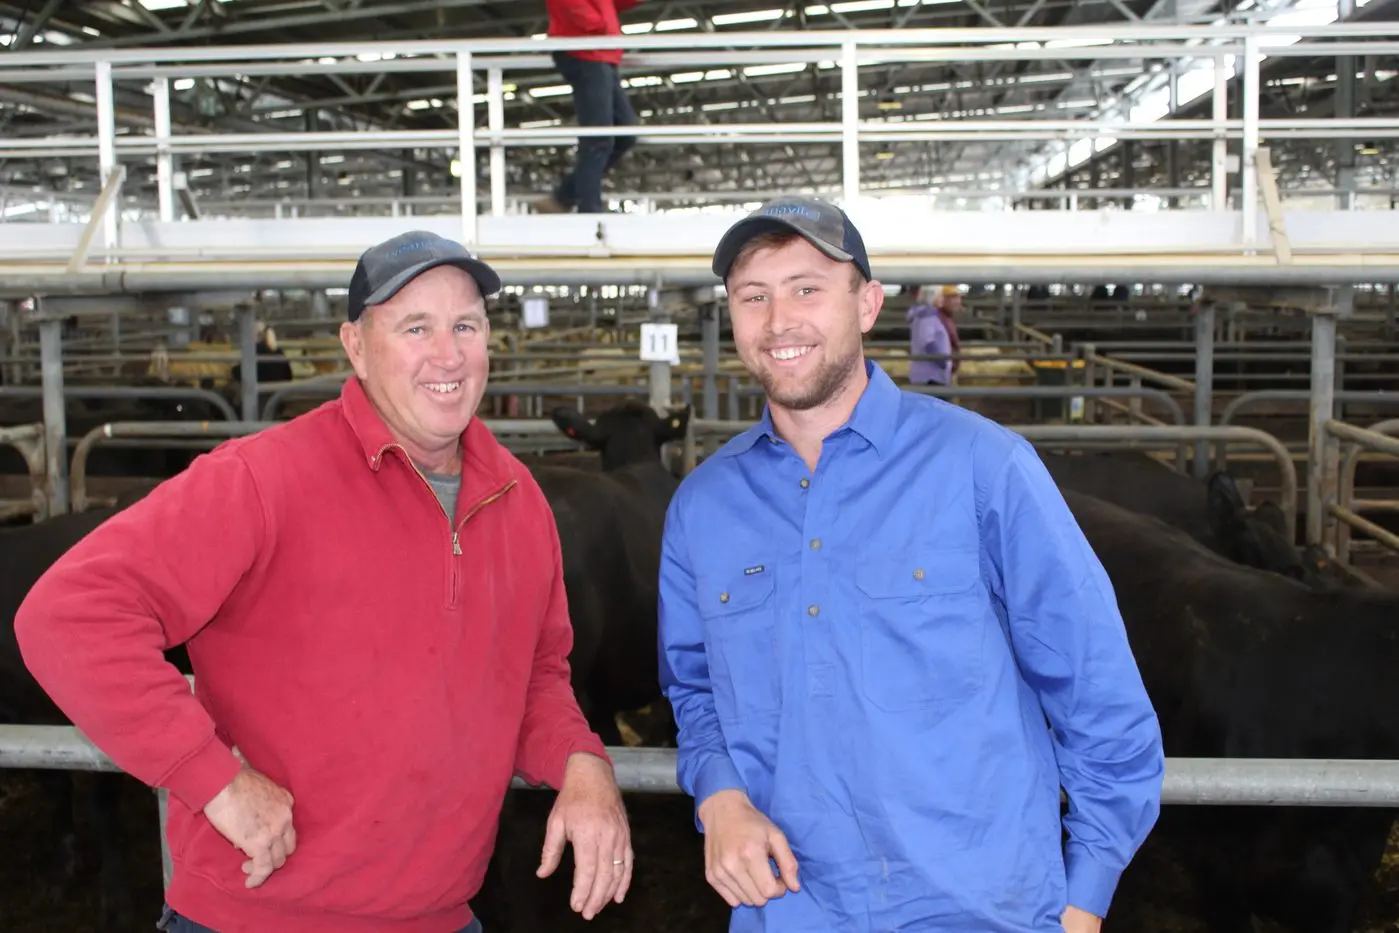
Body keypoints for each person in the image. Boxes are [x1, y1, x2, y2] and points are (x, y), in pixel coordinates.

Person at [15, 229, 633, 933]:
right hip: (255, 916)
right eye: (414, 327)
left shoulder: (518, 502)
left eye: (465, 325)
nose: (447, 354)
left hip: (437, 913)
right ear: (355, 346)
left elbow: (535, 677)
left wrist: (582, 762)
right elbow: (69, 614)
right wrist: (213, 779)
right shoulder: (262, 478)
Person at [656, 196, 1165, 932]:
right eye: (752, 297)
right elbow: (693, 689)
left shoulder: (984, 467)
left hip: (980, 907)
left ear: (866, 304)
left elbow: (1098, 691)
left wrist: (1084, 897)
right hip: (789, 909)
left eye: (807, 288)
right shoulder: (702, 507)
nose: (778, 322)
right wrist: (719, 794)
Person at [534, 0, 643, 214]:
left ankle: (564, 197)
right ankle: (588, 210)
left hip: (599, 52)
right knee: (598, 137)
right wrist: (597, 24)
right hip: (585, 51)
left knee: (625, 132)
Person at [905, 286, 955, 387]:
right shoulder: (927, 317)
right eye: (940, 296)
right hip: (931, 375)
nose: (942, 299)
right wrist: (942, 361)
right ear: (932, 297)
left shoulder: (924, 316)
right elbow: (927, 342)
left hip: (927, 373)